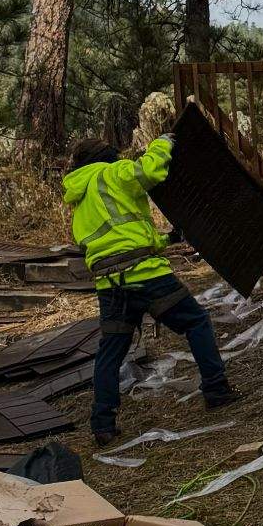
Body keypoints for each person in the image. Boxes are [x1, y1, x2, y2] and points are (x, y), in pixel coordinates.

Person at [65, 113, 236, 446]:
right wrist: (163, 143)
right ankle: (216, 391)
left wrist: (165, 241)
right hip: (145, 275)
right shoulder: (112, 173)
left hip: (109, 285)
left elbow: (115, 237)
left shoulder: (80, 196)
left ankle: (102, 425)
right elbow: (148, 171)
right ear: (107, 157)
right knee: (197, 323)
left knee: (110, 352)